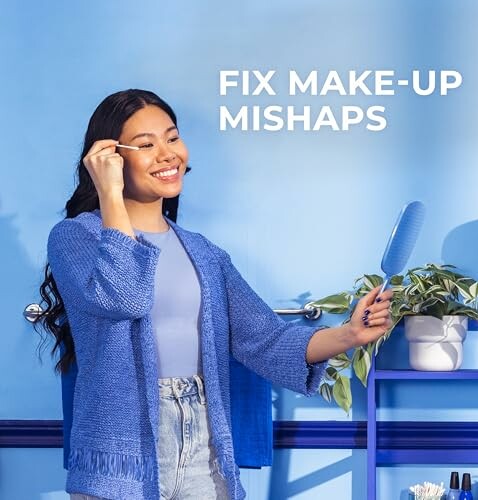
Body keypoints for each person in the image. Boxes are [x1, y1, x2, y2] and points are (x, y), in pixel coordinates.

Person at [35, 89, 393, 500]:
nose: (168, 154)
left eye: (172, 138)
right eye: (147, 145)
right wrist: (110, 196)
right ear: (111, 159)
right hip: (120, 450)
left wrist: (349, 334)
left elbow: (265, 339)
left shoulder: (203, 252)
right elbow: (124, 298)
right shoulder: (76, 238)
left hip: (204, 442)